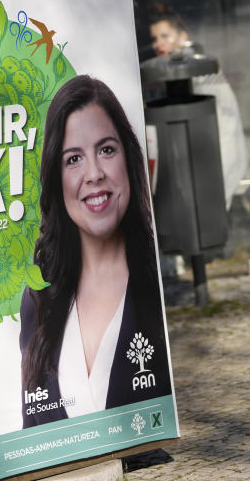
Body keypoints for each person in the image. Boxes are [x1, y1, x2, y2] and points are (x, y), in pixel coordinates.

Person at [19, 75, 171, 428]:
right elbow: (34, 436)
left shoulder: (155, 283)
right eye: (73, 159)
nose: (94, 174)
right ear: (57, 179)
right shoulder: (39, 299)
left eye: (106, 150)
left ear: (128, 157)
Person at [146, 3, 248, 209]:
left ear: (183, 36)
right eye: (155, 39)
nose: (158, 44)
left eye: (165, 36)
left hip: (217, 159)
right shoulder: (176, 70)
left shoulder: (195, 70)